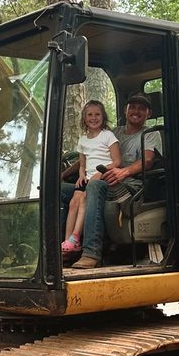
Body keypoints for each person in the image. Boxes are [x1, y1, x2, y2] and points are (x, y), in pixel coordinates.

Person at [61, 91, 163, 270]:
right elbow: (87, 156)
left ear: (149, 113)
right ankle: (64, 249)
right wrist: (62, 175)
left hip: (130, 185)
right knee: (60, 190)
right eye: (133, 107)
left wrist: (123, 172)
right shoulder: (113, 132)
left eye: (142, 108)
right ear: (126, 110)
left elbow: (147, 160)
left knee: (94, 186)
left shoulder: (150, 134)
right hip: (103, 180)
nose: (136, 111)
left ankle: (90, 253)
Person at [62, 101, 122, 253]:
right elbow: (82, 163)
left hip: (102, 177)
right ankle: (66, 242)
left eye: (97, 114)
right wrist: (81, 175)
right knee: (73, 203)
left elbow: (117, 162)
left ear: (103, 117)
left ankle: (75, 237)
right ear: (84, 118)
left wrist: (101, 172)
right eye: (90, 114)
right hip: (87, 178)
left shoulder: (108, 135)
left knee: (83, 201)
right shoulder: (83, 139)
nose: (93, 118)